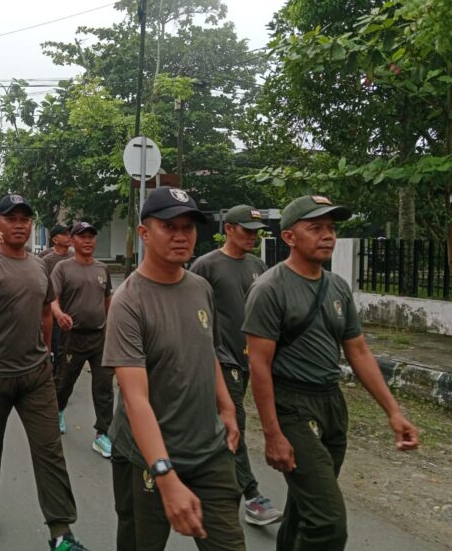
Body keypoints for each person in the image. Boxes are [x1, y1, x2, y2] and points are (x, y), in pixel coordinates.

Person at [244, 194, 419, 551]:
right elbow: (258, 366)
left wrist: (393, 412)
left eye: (331, 228)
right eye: (316, 228)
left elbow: (357, 351)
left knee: (305, 507)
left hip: (332, 403)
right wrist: (272, 433)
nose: (327, 235)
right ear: (290, 237)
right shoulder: (269, 289)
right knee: (327, 522)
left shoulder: (337, 286)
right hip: (292, 405)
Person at [0, 194, 89, 551]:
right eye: (12, 217)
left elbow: (44, 313)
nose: (21, 223)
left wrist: (49, 355)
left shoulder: (40, 266)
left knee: (49, 450)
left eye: (26, 218)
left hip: (36, 374)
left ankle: (60, 532)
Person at [103, 186, 244, 551]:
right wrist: (163, 473)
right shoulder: (128, 302)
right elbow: (135, 399)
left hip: (209, 451)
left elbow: (207, 352)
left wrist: (227, 408)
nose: (181, 236)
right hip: (148, 457)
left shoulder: (200, 288)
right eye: (170, 226)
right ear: (144, 233)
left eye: (188, 227)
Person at [190, 205, 282, 526]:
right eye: (246, 230)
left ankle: (201, 473)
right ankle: (252, 496)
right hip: (221, 358)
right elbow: (194, 312)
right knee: (236, 423)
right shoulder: (206, 266)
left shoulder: (260, 266)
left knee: (219, 425)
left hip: (252, 361)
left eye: (257, 231)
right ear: (228, 228)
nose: (253, 237)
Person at [51, 221, 114, 458]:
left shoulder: (102, 269)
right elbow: (53, 298)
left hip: (99, 337)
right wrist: (59, 314)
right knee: (65, 381)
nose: (88, 241)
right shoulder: (63, 268)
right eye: (82, 236)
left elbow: (107, 300)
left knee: (104, 386)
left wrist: (110, 327)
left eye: (91, 236)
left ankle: (102, 434)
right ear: (73, 240)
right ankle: (57, 411)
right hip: (72, 337)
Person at [42, 224, 72, 372]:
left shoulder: (75, 258)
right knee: (55, 346)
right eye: (64, 234)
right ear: (55, 239)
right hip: (53, 313)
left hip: (72, 311)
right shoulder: (46, 260)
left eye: (69, 233)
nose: (69, 237)